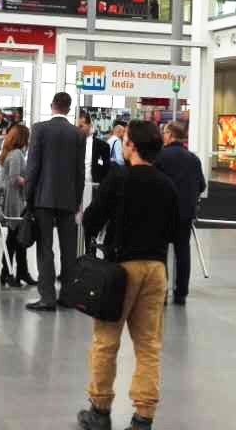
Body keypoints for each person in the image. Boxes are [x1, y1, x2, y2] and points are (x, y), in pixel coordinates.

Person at [77, 120, 179, 430]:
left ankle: (100, 409)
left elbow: (92, 220)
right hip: (156, 269)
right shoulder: (167, 184)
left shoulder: (118, 178)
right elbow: (175, 230)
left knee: (106, 341)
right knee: (148, 345)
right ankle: (143, 417)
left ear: (132, 145)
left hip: (121, 271)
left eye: (125, 141)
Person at [24, 92, 86, 312]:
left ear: (52, 106)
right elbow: (80, 171)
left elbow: (33, 167)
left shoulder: (39, 129)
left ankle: (47, 297)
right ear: (69, 109)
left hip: (43, 198)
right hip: (69, 199)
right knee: (69, 250)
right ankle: (68, 296)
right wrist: (77, 200)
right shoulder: (78, 134)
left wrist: (29, 197)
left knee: (45, 248)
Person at [154, 121, 206, 305]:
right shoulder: (193, 159)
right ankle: (181, 293)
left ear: (170, 135)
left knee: (160, 253)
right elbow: (202, 185)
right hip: (185, 214)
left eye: (164, 133)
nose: (163, 136)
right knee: (183, 251)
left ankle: (162, 292)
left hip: (163, 213)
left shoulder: (160, 156)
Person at [0, 123, 35, 288]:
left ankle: (19, 272)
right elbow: (14, 179)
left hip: (13, 200)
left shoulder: (11, 153)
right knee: (14, 239)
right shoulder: (17, 154)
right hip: (15, 202)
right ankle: (8, 273)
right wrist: (30, 181)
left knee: (17, 239)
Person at [78, 111, 113, 187]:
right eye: (76, 126)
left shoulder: (102, 146)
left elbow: (106, 169)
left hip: (94, 186)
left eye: (81, 126)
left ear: (89, 125)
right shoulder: (72, 144)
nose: (77, 129)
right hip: (75, 187)